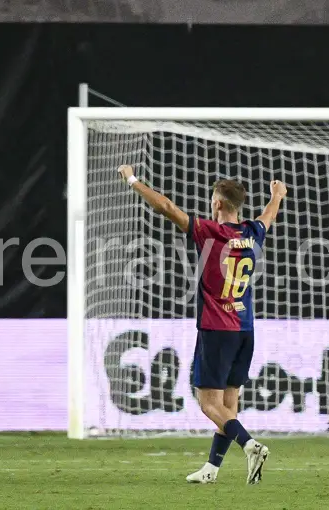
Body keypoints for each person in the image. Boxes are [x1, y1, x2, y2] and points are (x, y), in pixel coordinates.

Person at [117, 164, 285, 485]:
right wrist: (277, 195)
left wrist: (132, 179)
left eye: (212, 199)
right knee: (228, 404)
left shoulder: (209, 231)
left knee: (208, 403)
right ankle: (212, 468)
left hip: (216, 328)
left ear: (218, 204)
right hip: (245, 329)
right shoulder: (252, 233)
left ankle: (250, 445)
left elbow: (166, 207)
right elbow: (268, 215)